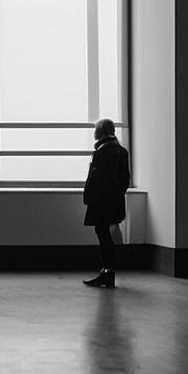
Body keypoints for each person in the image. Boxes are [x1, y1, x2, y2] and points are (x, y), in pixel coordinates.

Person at [82, 118, 130, 288]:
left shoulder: (103, 150)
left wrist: (90, 197)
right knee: (105, 233)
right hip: (113, 200)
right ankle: (107, 271)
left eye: (95, 129)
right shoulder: (121, 150)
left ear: (100, 131)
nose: (94, 132)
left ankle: (107, 271)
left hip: (102, 201)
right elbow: (125, 179)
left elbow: (96, 178)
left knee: (102, 233)